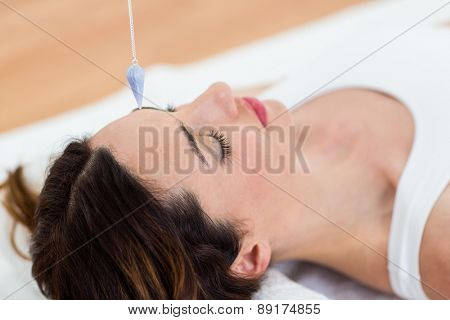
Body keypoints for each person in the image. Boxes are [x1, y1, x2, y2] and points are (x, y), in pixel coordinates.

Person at [1, 30, 449, 300]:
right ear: (248, 257)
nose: (217, 93)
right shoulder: (438, 243)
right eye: (213, 144)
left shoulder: (271, 115)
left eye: (174, 109)